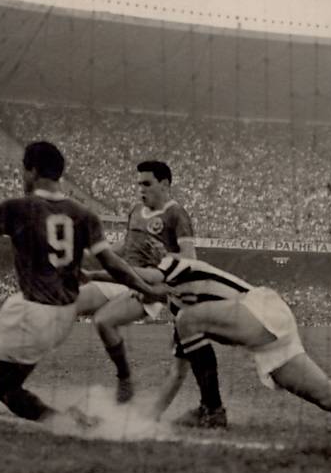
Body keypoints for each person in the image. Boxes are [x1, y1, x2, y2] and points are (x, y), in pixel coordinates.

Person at [0, 141, 172, 426]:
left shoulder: (15, 208)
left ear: (32, 171)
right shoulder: (83, 214)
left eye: (23, 171)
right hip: (62, 313)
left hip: (35, 311)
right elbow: (113, 263)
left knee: (7, 390)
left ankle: (70, 422)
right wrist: (149, 290)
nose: (22, 178)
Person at [86, 254, 331, 421]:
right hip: (267, 336)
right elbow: (177, 373)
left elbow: (148, 277)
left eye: (135, 289)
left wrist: (92, 274)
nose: (137, 295)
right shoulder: (183, 315)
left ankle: (212, 410)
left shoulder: (173, 265)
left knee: (188, 319)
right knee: (328, 397)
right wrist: (145, 421)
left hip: (260, 308)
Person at [76, 161, 225, 427]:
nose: (140, 189)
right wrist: (96, 254)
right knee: (74, 303)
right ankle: (129, 387)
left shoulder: (177, 215)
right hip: (121, 277)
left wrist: (162, 264)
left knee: (104, 321)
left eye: (147, 183)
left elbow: (190, 258)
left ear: (165, 184)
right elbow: (126, 247)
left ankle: (133, 393)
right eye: (139, 183)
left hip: (150, 285)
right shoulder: (135, 210)